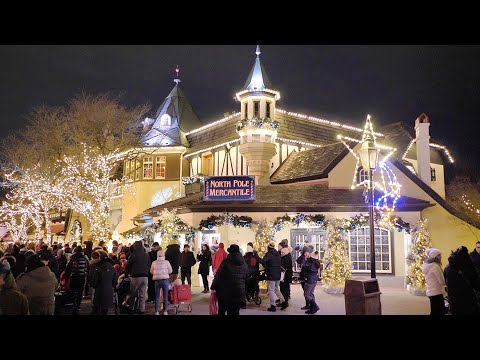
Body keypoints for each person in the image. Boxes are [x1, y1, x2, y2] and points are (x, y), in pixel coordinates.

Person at [211, 244, 248, 315]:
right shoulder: (244, 264)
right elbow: (246, 278)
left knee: (222, 310)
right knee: (235, 312)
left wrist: (213, 286)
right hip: (238, 292)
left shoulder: (226, 262)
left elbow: (218, 276)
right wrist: (244, 291)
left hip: (225, 292)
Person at [445, 245, 480, 315]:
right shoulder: (467, 265)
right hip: (467, 299)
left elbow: (446, 281)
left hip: (453, 298)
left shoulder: (448, 266)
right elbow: (475, 281)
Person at [124, 240, 151, 314]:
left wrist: (126, 274)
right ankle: (142, 309)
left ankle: (131, 308)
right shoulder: (146, 255)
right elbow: (149, 265)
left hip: (135, 276)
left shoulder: (133, 254)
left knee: (133, 294)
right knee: (142, 294)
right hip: (145, 276)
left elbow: (128, 265)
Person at [259, 241, 285, 312]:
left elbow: (262, 261)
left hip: (271, 274)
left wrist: (256, 257)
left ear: (268, 247)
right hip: (278, 274)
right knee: (276, 288)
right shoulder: (277, 254)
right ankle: (283, 301)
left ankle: (273, 306)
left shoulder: (269, 254)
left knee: (271, 290)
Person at [65, 246, 89, 314]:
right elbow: (87, 267)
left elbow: (68, 267)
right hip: (82, 277)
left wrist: (66, 275)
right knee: (80, 291)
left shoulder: (72, 258)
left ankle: (73, 304)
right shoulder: (85, 258)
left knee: (73, 290)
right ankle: (78, 305)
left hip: (74, 277)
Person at [91, 250, 117, 315]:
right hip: (108, 291)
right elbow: (114, 281)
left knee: (99, 307)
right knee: (105, 309)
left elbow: (95, 280)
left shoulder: (99, 267)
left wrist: (93, 285)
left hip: (99, 291)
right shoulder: (112, 267)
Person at [422, 248, 446, 315]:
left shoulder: (427, 265)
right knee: (439, 311)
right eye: (439, 255)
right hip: (437, 291)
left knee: (434, 310)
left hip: (431, 291)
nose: (441, 257)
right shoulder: (435, 266)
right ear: (435, 256)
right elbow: (441, 281)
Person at [150, 250, 172, 315]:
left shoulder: (154, 262)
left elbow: (151, 271)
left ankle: (157, 311)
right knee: (165, 296)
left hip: (157, 281)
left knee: (157, 296)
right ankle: (165, 311)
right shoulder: (166, 262)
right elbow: (170, 270)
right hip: (165, 280)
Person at [301, 248, 321, 314]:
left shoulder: (311, 262)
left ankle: (315, 307)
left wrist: (305, 258)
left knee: (307, 294)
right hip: (314, 279)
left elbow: (304, 265)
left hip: (310, 279)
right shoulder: (316, 262)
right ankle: (312, 309)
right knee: (311, 294)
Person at [278, 240, 293, 309]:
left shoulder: (286, 258)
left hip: (285, 276)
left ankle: (285, 303)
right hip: (284, 276)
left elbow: (285, 266)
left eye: (282, 252)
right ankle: (283, 301)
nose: (281, 253)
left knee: (284, 289)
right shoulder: (285, 256)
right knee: (283, 289)